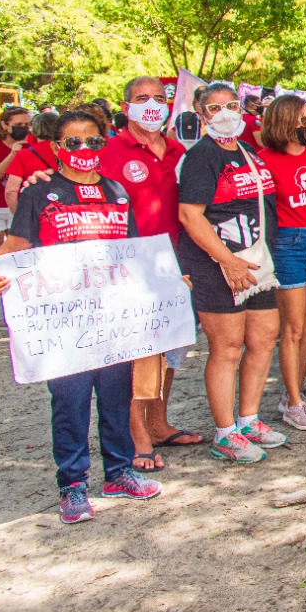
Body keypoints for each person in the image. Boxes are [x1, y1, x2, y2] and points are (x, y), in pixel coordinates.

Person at [0, 109, 163, 522]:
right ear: (57, 148)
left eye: (93, 141)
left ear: (104, 143)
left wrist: (167, 282)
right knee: (69, 403)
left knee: (116, 397)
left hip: (113, 322)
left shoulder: (117, 192)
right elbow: (15, 245)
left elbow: (133, 254)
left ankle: (118, 473)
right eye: (73, 143)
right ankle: (72, 485)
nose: (84, 149)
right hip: (64, 326)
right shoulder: (40, 193)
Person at [177, 83, 286, 463]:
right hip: (218, 265)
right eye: (213, 108)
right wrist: (228, 260)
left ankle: (249, 419)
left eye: (231, 105)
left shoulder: (246, 150)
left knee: (264, 338)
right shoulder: (201, 157)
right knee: (227, 348)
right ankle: (224, 433)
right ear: (201, 115)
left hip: (257, 262)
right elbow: (190, 215)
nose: (225, 113)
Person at [104, 78, 200, 465]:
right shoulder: (111, 150)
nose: (152, 106)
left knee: (171, 347)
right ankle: (136, 433)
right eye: (142, 99)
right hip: (128, 263)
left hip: (176, 261)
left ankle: (159, 423)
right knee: (138, 352)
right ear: (125, 106)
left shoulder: (180, 149)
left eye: (159, 99)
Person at [257, 95, 306, 431]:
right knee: (293, 329)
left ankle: (292, 394)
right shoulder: (264, 160)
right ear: (283, 122)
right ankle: (294, 403)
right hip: (287, 244)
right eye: (301, 119)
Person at [0, 106, 30, 328]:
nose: (23, 129)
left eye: (26, 125)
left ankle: (15, 314)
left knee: (18, 263)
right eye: (18, 126)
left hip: (18, 207)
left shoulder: (30, 144)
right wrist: (14, 154)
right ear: (4, 125)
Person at [4, 110, 59, 213]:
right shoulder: (68, 152)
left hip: (33, 212)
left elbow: (11, 191)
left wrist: (19, 217)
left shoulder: (24, 155)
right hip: (65, 213)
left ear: (34, 129)